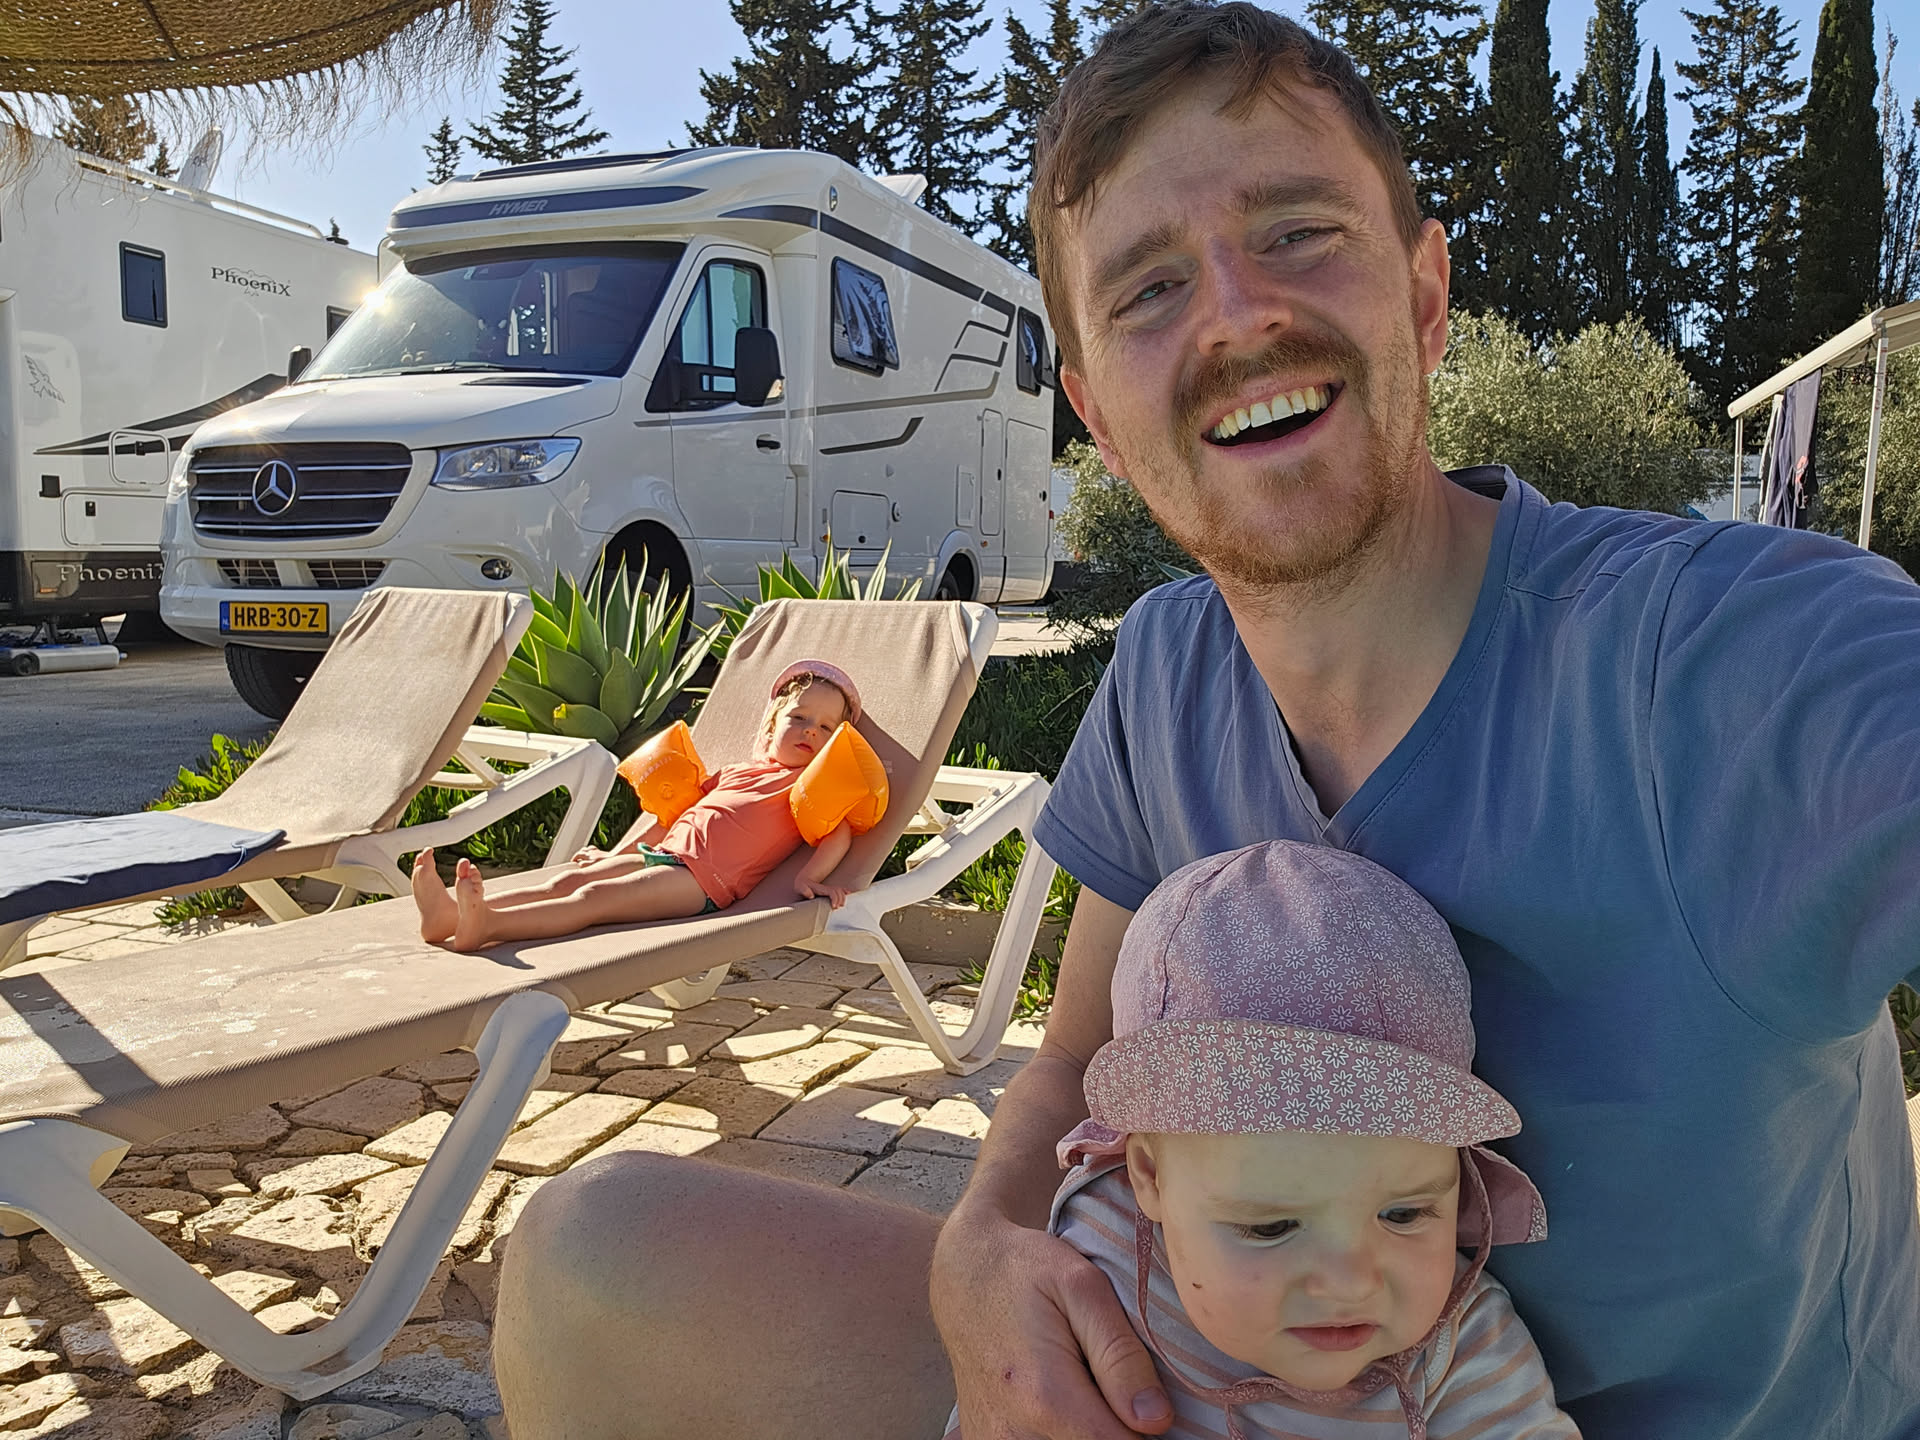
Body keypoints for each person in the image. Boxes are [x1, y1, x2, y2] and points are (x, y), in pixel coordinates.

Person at [490, 6, 1920, 1437]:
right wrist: (985, 1241)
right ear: (1098, 420)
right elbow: (1073, 1064)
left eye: (1298, 232)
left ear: (1426, 297)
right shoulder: (1169, 670)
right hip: (1212, 1396)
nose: (1237, 317)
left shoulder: (1738, 658)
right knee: (591, 1255)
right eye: (1150, 288)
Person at [945, 840, 1576, 1440]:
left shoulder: (1462, 1347)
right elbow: (1006, 1400)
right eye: (1271, 1227)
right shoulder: (1097, 1254)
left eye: (1405, 1214)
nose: (1349, 1283)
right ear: (1149, 1177)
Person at [412, 661, 862, 950]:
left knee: (594, 898)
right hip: (663, 858)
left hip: (702, 883)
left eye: (826, 728)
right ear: (770, 726)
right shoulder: (736, 772)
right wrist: (614, 855)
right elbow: (671, 817)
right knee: (570, 880)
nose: (810, 730)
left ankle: (489, 925)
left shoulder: (807, 787)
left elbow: (838, 833)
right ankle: (448, 915)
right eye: (799, 718)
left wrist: (809, 878)